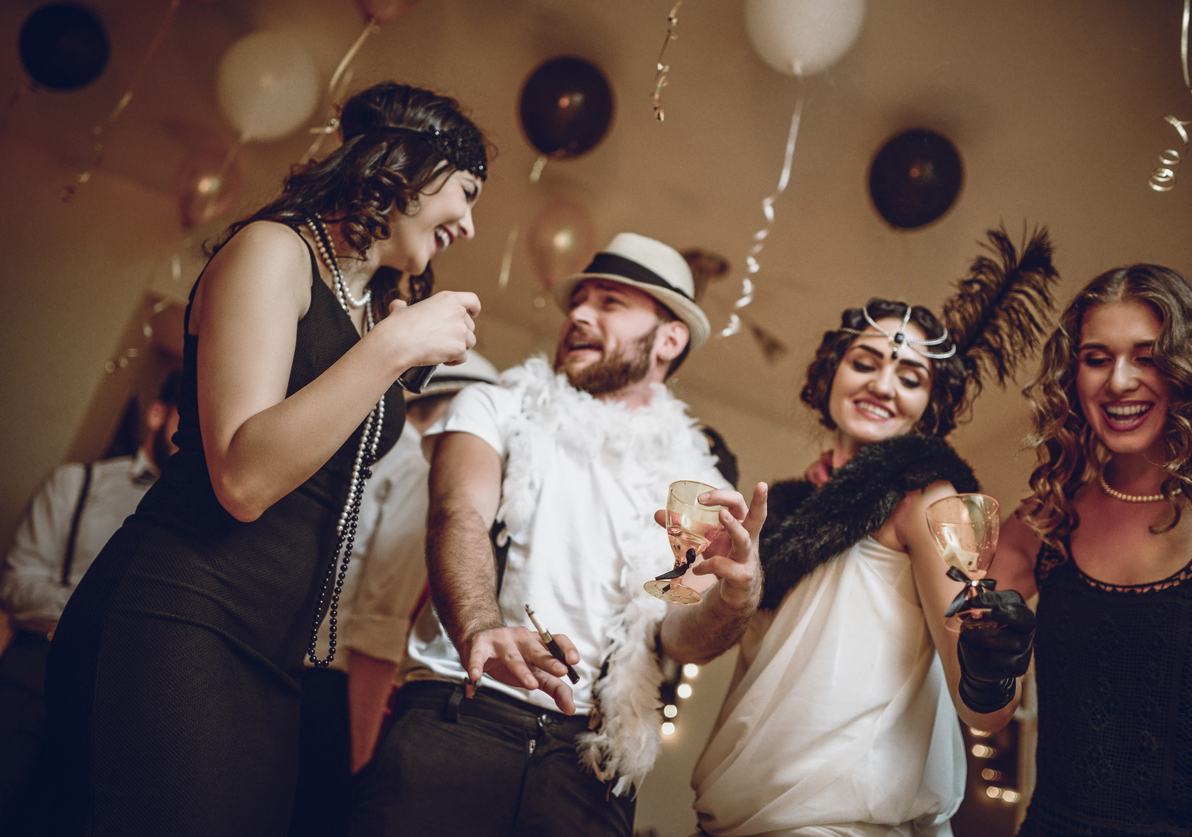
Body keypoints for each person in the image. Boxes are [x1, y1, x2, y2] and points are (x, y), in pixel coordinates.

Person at [42, 81, 488, 837]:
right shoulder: (274, 250)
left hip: (275, 655)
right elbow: (244, 479)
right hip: (179, 616)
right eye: (467, 192)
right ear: (409, 164)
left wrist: (384, 341)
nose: (472, 225)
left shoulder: (370, 308)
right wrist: (393, 350)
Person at [351, 232, 769, 837]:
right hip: (460, 714)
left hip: (589, 764)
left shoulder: (695, 484)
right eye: (579, 301)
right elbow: (458, 515)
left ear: (670, 338)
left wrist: (736, 596)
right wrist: (480, 628)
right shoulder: (495, 407)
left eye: (609, 303)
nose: (578, 313)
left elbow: (680, 638)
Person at [690, 228, 1055, 837]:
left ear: (930, 406)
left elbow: (982, 711)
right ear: (829, 374)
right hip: (726, 818)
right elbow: (692, 645)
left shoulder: (927, 499)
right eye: (865, 362)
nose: (883, 386)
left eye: (911, 376)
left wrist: (995, 661)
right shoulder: (778, 509)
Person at [987, 264, 1192, 836]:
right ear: (1072, 373)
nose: (1119, 381)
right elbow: (985, 709)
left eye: (1148, 356)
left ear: (1190, 370)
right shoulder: (1043, 525)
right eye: (1096, 357)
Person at [290, 351, 500, 837]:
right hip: (337, 684)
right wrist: (360, 755)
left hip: (300, 659)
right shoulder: (419, 467)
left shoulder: (368, 451)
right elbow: (381, 616)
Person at [0, 371, 180, 827]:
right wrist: (88, 616)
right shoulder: (75, 484)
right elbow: (19, 584)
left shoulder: (202, 521)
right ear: (158, 414)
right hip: (40, 668)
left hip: (128, 703)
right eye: (189, 419)